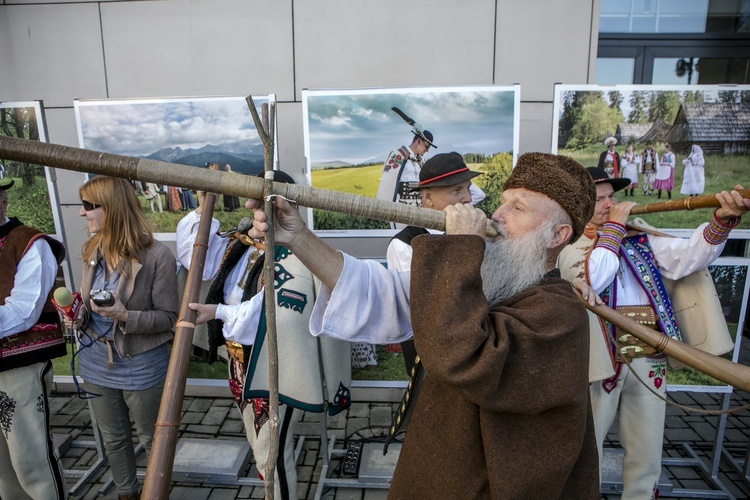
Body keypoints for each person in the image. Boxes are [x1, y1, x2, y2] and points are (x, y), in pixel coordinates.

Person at [253, 152, 600, 498]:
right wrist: (297, 237)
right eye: (503, 203)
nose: (497, 215)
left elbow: (465, 358)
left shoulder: (560, 314)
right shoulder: (493, 279)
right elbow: (383, 293)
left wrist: (461, 246)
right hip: (442, 471)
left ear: (558, 235)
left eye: (518, 208)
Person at [558, 167, 749, 499]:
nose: (609, 204)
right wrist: (614, 227)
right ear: (578, 205)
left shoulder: (637, 234)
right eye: (599, 198)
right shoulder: (569, 242)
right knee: (588, 449)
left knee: (647, 449)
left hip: (650, 354)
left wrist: (722, 219)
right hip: (600, 361)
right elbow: (592, 279)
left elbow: (685, 259)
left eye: (611, 197)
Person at [176, 170, 351, 500]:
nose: (260, 212)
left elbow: (265, 312)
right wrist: (203, 208)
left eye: (271, 206)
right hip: (238, 361)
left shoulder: (297, 256)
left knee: (271, 451)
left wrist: (217, 313)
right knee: (258, 443)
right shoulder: (240, 243)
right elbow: (192, 255)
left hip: (278, 366)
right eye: (257, 204)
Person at [69, 176, 178, 500]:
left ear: (112, 209)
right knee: (114, 438)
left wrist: (124, 315)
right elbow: (89, 301)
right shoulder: (92, 249)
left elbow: (169, 318)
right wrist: (77, 314)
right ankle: (126, 494)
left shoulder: (158, 256)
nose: (82, 213)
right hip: (95, 363)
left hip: (141, 366)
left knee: (152, 441)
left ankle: (158, 494)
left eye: (88, 206)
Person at [0, 178, 68, 500]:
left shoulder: (29, 243)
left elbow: (24, 311)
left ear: (3, 201)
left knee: (30, 461)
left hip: (18, 368)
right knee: (1, 469)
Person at [386, 151, 479, 373]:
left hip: (473, 347)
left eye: (468, 187)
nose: (468, 198)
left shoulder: (471, 230)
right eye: (457, 190)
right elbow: (424, 310)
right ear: (428, 198)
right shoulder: (404, 245)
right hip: (430, 355)